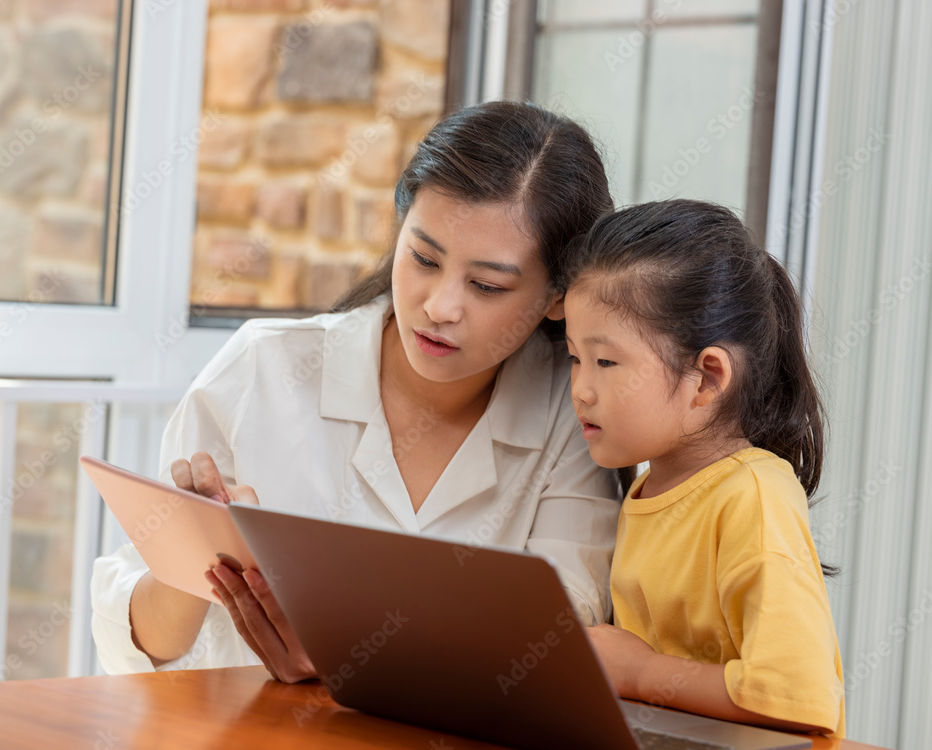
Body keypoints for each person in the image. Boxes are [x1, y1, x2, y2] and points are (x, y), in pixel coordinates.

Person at [91, 101, 622, 681]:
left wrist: (348, 660)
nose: (440, 307)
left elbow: (561, 644)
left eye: (488, 286)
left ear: (557, 298)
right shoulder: (262, 368)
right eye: (422, 257)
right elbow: (140, 648)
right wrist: (198, 550)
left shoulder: (571, 416)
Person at [564, 199, 845, 736]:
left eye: (605, 362)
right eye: (575, 358)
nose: (580, 388)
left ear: (707, 378)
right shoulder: (648, 489)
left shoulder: (753, 495)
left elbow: (797, 698)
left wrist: (641, 672)